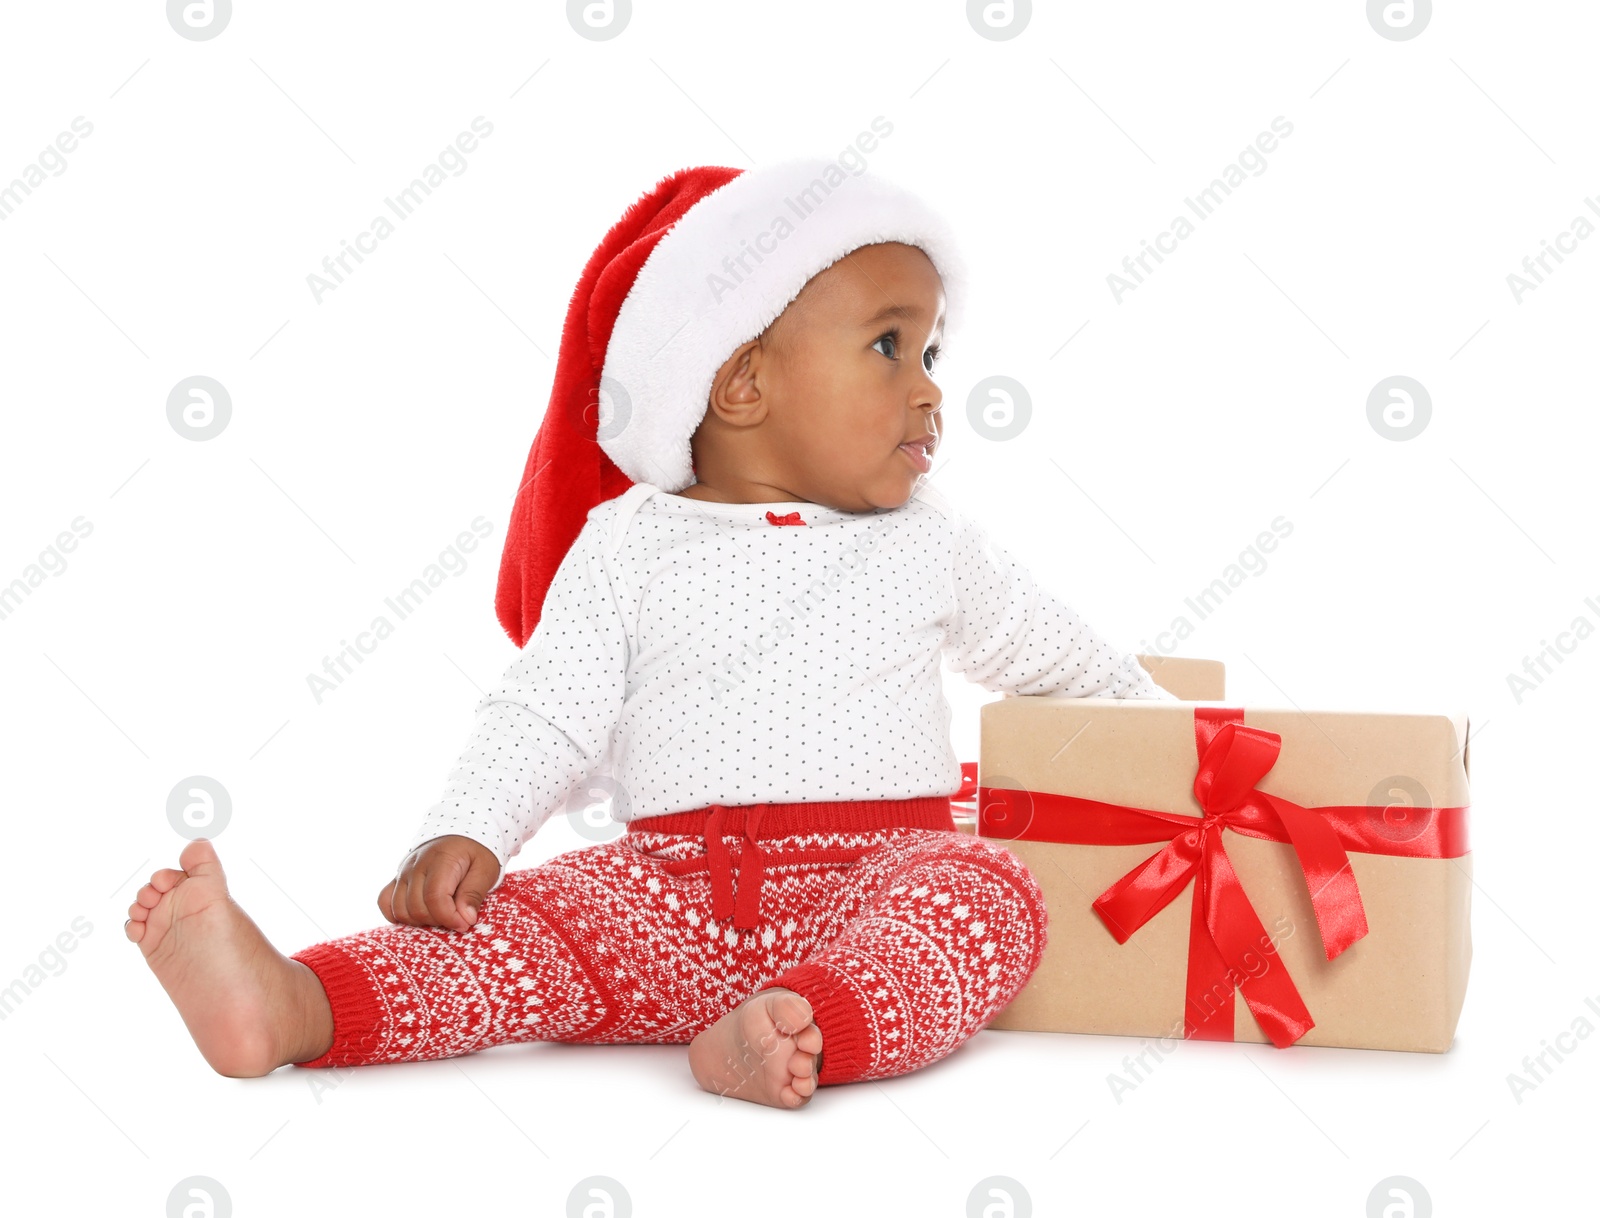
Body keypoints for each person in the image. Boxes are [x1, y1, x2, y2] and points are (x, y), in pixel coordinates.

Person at [125, 156, 1177, 1109]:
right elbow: (547, 706)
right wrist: (468, 831)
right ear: (740, 382)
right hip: (664, 897)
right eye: (889, 345)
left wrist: (1196, 739)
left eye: (931, 349)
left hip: (877, 879)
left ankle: (811, 1024)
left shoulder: (930, 544)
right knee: (510, 937)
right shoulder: (628, 544)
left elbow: (1065, 660)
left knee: (982, 899)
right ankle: (294, 1004)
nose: (930, 387)